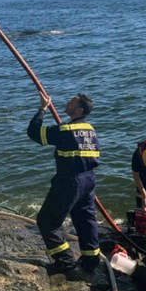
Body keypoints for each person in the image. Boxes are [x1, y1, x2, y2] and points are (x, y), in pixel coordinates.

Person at [27, 92, 102, 278]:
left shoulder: (65, 130)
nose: (67, 103)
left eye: (71, 102)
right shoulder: (90, 130)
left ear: (78, 109)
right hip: (89, 180)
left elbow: (34, 132)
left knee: (47, 221)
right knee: (85, 220)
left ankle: (65, 262)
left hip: (70, 181)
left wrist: (42, 108)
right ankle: (91, 260)